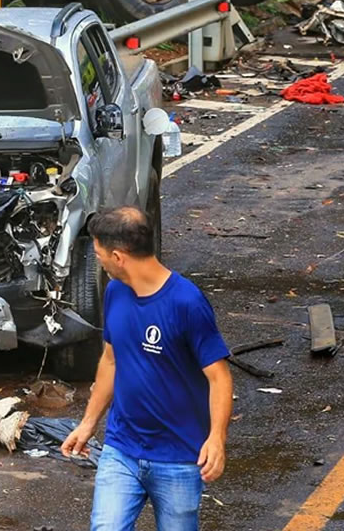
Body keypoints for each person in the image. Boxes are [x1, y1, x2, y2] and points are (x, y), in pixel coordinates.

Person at [62, 207, 232, 531]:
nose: (98, 261)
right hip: (121, 448)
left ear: (119, 256)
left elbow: (219, 376)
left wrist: (216, 439)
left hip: (179, 457)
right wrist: (88, 424)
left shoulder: (187, 303)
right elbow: (111, 360)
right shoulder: (115, 293)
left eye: (99, 255)